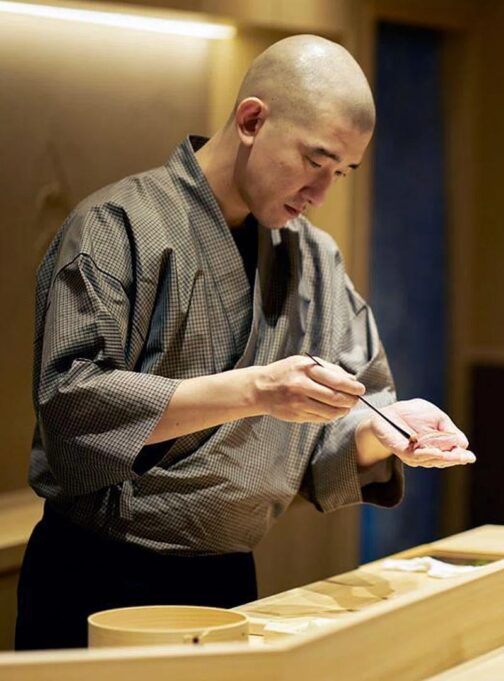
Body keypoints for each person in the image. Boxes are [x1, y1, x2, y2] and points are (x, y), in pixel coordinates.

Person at [16, 34, 475, 650]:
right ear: (252, 119)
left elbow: (337, 424)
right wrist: (257, 390)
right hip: (101, 572)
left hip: (229, 576)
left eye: (341, 172)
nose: (321, 193)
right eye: (314, 161)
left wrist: (382, 429)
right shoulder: (117, 225)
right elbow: (73, 403)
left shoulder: (314, 257)